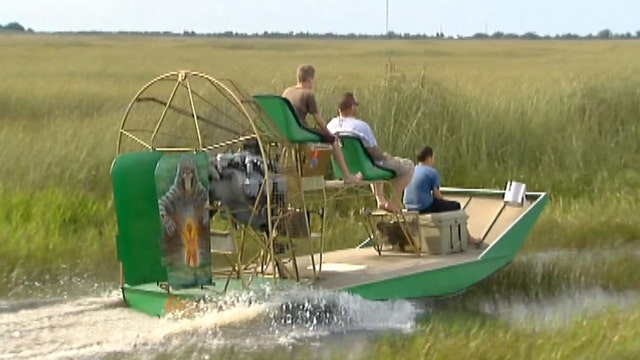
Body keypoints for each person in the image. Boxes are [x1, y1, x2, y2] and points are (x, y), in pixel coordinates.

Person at [326, 92, 414, 213]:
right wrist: (386, 157)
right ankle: (393, 203)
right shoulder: (360, 126)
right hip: (366, 169)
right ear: (352, 107)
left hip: (342, 170)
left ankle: (381, 200)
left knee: (373, 162)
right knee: (407, 166)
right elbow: (373, 152)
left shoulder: (330, 125)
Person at [282, 64, 362, 184]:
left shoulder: (287, 92)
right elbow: (318, 120)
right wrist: (329, 134)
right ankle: (347, 176)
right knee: (333, 141)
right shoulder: (307, 94)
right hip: (301, 131)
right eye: (313, 80)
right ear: (309, 79)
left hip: (287, 131)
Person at [403, 146, 484, 247]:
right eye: (433, 158)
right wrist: (446, 203)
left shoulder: (412, 170)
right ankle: (468, 238)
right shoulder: (431, 172)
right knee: (456, 206)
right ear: (429, 158)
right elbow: (437, 195)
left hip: (409, 206)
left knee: (443, 204)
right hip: (424, 207)